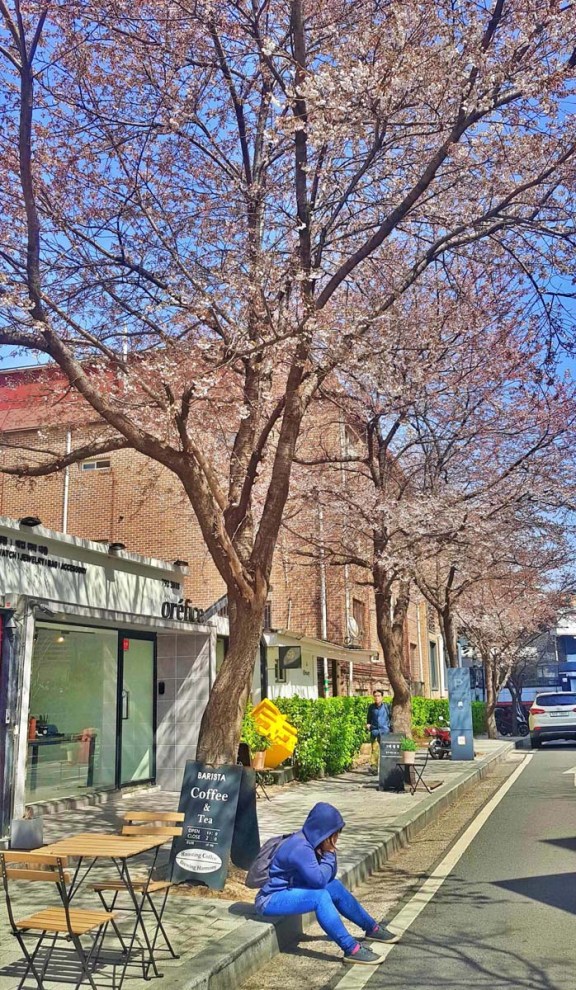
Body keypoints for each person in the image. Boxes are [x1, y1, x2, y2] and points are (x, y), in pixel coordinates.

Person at [255, 801, 399, 965]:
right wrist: (329, 852)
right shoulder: (300, 847)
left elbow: (329, 877)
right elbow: (319, 880)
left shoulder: (309, 841)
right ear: (324, 832)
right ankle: (351, 949)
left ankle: (371, 928)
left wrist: (328, 852)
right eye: (334, 834)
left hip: (289, 890)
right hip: (270, 900)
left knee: (334, 886)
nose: (336, 838)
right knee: (320, 897)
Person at [366, 689, 391, 774]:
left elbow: (391, 718)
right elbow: (368, 719)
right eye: (375, 696)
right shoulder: (371, 707)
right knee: (375, 750)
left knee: (386, 750)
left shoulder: (387, 706)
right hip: (375, 731)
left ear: (382, 697)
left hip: (385, 731)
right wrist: (368, 725)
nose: (376, 698)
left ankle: (387, 768)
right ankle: (374, 768)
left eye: (378, 696)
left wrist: (390, 728)